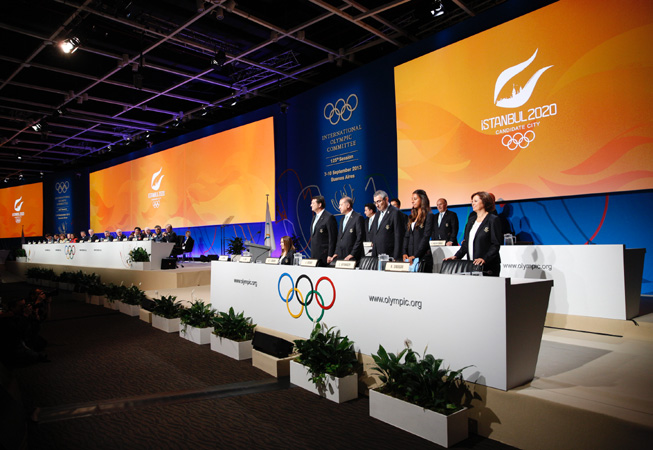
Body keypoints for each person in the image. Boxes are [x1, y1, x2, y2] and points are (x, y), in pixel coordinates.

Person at [445, 191, 502, 276]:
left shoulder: (493, 220)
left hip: (488, 267)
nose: (472, 204)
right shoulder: (471, 221)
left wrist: (484, 259)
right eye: (472, 201)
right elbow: (466, 243)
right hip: (472, 265)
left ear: (484, 202)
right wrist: (456, 256)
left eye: (475, 201)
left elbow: (496, 244)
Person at [403, 189, 434, 273]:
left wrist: (416, 255)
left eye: (415, 199)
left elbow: (426, 237)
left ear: (422, 199)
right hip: (409, 257)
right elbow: (407, 236)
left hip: (422, 257)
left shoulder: (429, 216)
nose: (412, 201)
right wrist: (404, 252)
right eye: (412, 199)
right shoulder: (412, 217)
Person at [328, 196, 365, 264]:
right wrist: (336, 253)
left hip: (353, 257)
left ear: (348, 205)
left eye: (341, 205)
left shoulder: (358, 218)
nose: (339, 207)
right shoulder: (342, 219)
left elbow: (360, 238)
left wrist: (352, 254)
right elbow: (339, 238)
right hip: (341, 256)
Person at [370, 190, 405, 261]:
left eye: (379, 201)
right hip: (377, 254)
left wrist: (396, 256)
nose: (377, 205)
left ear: (386, 199)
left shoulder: (395, 212)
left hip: (390, 254)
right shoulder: (377, 214)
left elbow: (399, 236)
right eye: (375, 202)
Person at [309, 195, 337, 266]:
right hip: (314, 254)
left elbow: (332, 238)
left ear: (319, 204)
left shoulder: (329, 217)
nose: (311, 205)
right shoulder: (314, 218)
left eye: (313, 203)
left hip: (324, 255)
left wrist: (330, 254)